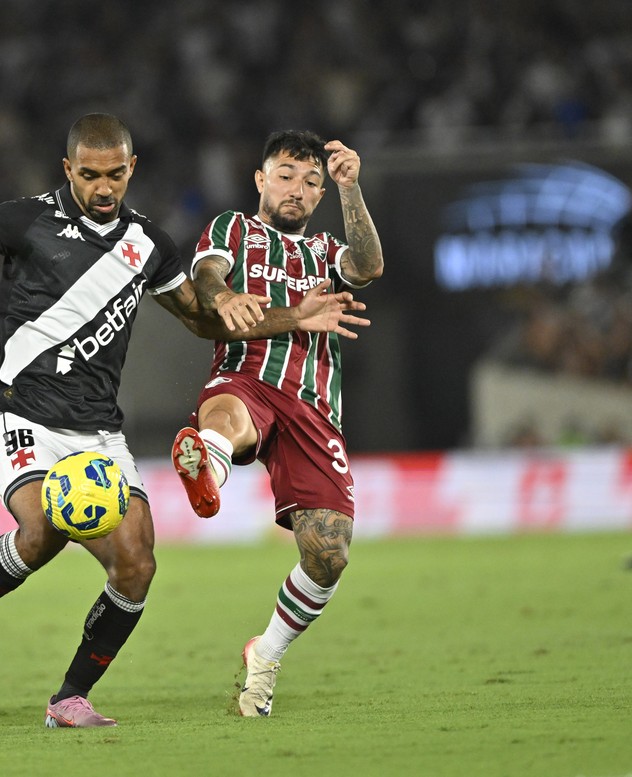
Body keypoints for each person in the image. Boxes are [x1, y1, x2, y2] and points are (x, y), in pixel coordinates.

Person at [0, 114, 369, 728]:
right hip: (21, 414)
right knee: (47, 522)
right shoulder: (24, 220)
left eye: (114, 175)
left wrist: (287, 317)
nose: (103, 188)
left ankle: (70, 698)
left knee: (136, 563)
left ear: (130, 169)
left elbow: (203, 320)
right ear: (67, 170)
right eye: (89, 175)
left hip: (99, 430)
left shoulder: (149, 246)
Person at [170, 130, 384, 717]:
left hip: (315, 404)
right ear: (261, 180)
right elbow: (208, 276)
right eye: (286, 175)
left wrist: (351, 188)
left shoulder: (322, 252)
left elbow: (367, 264)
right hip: (249, 375)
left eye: (312, 181)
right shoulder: (232, 229)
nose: (298, 188)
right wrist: (222, 298)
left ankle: (264, 654)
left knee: (329, 554)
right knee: (227, 416)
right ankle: (206, 462)